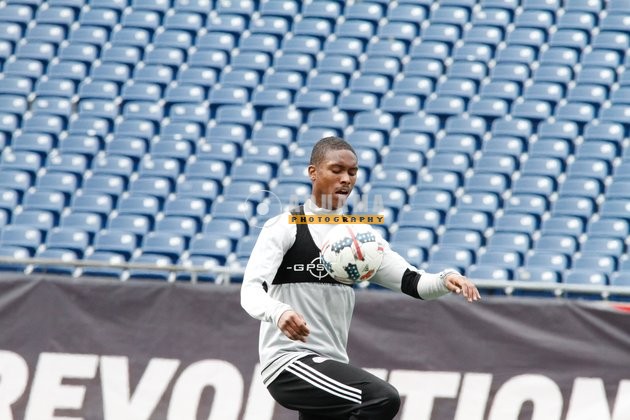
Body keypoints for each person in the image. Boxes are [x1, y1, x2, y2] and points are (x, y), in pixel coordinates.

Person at [241, 136, 481, 420]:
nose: (346, 179)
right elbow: (251, 291)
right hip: (288, 362)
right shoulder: (284, 226)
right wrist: (278, 311)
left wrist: (446, 278)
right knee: (380, 398)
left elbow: (414, 283)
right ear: (313, 172)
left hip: (331, 364)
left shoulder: (360, 240)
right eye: (337, 170)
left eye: (352, 172)